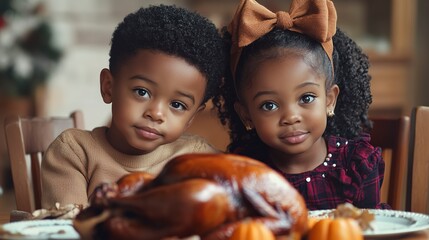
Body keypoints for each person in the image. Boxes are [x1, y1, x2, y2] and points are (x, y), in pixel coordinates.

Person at [41, 5, 227, 207]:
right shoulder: (75, 152)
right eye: (142, 92)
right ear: (108, 87)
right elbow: (68, 229)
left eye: (177, 104)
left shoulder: (198, 157)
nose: (156, 114)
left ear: (191, 117)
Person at [213, 0, 389, 210]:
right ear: (246, 115)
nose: (291, 116)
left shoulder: (357, 165)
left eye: (306, 98)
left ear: (330, 99)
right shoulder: (242, 172)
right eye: (269, 105)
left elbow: (374, 229)